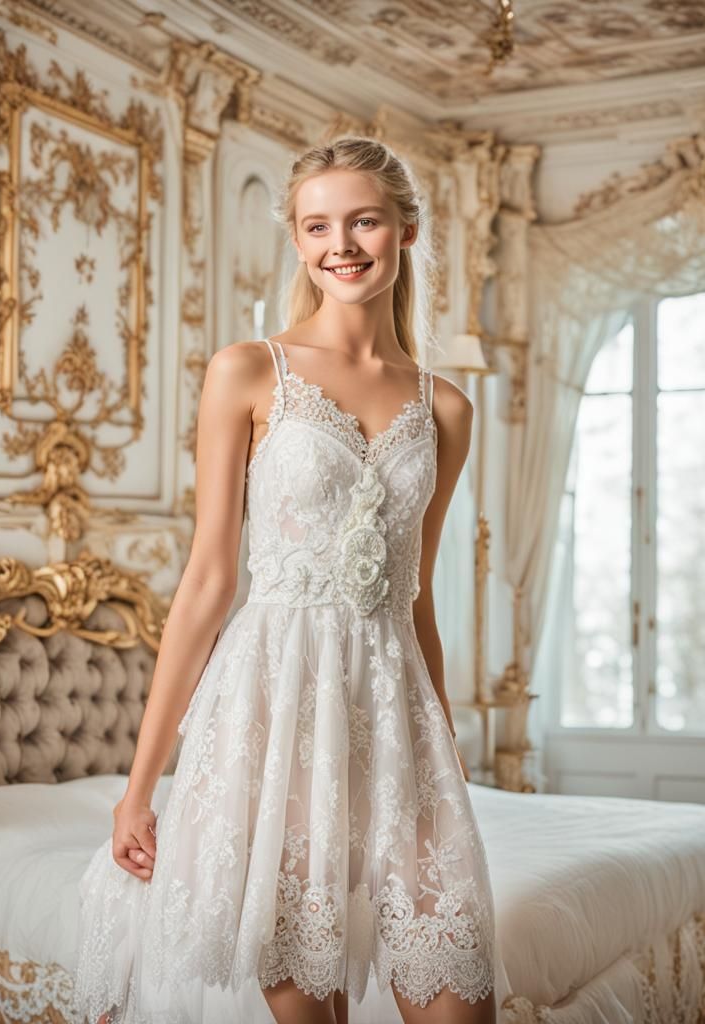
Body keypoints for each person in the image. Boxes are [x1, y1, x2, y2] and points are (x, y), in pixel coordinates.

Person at [74, 136, 498, 1024]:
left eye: (364, 221)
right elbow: (206, 583)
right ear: (299, 243)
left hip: (395, 717)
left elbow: (413, 591)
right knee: (310, 1006)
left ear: (405, 230)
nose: (341, 242)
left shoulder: (447, 408)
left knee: (458, 995)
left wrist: (444, 745)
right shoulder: (245, 371)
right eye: (318, 226)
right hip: (273, 710)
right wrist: (140, 787)